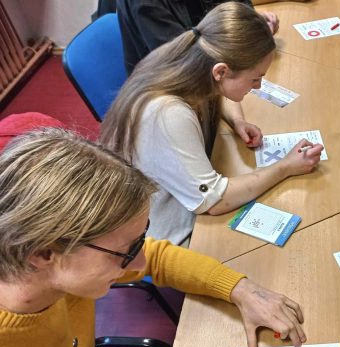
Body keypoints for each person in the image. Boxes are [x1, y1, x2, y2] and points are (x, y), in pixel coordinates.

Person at [0, 128, 304, 347]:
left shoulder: (48, 267)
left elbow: (158, 257)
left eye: (139, 240)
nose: (141, 262)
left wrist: (243, 290)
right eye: (127, 250)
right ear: (42, 254)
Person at [101, 2, 324, 245]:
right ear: (221, 71)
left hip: (181, 198)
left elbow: (215, 91)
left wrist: (237, 120)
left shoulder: (185, 61)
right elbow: (214, 201)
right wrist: (286, 167)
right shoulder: (169, 113)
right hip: (164, 236)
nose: (258, 86)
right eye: (255, 78)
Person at [117, 0, 294, 74]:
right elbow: (184, 56)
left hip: (216, 67)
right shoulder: (144, 3)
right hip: (173, 82)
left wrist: (250, 21)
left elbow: (234, 4)